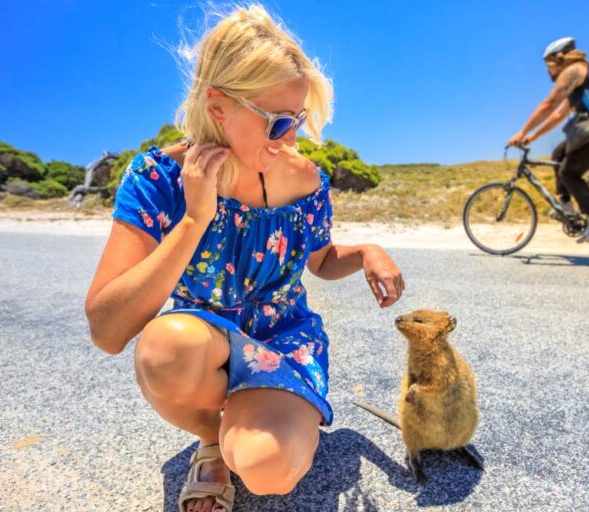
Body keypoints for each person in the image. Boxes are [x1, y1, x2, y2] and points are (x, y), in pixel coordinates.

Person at [84, 5, 404, 511]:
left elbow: (320, 260)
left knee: (266, 470)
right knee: (166, 348)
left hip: (282, 338)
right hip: (200, 340)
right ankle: (212, 436)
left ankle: (260, 419)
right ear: (218, 107)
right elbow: (107, 329)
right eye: (277, 122)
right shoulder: (157, 179)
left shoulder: (306, 180)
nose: (291, 139)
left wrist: (367, 251)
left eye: (297, 120)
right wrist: (193, 220)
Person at [508, 37, 589, 243]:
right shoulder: (579, 78)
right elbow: (557, 115)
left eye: (548, 66)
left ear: (558, 59)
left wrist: (521, 132)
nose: (548, 72)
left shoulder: (572, 71)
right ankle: (566, 206)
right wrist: (533, 136)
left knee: (570, 173)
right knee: (558, 154)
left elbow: (549, 104)